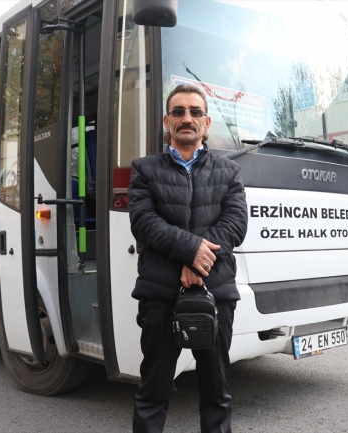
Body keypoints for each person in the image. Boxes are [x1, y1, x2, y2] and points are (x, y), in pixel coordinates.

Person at [128, 83, 248, 433]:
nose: (187, 118)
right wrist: (191, 250)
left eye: (195, 112)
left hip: (216, 296)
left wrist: (198, 260)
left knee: (216, 392)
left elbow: (236, 224)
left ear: (206, 123)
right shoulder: (144, 169)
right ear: (167, 121)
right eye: (178, 111)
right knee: (153, 391)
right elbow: (144, 223)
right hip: (160, 294)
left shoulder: (229, 172)